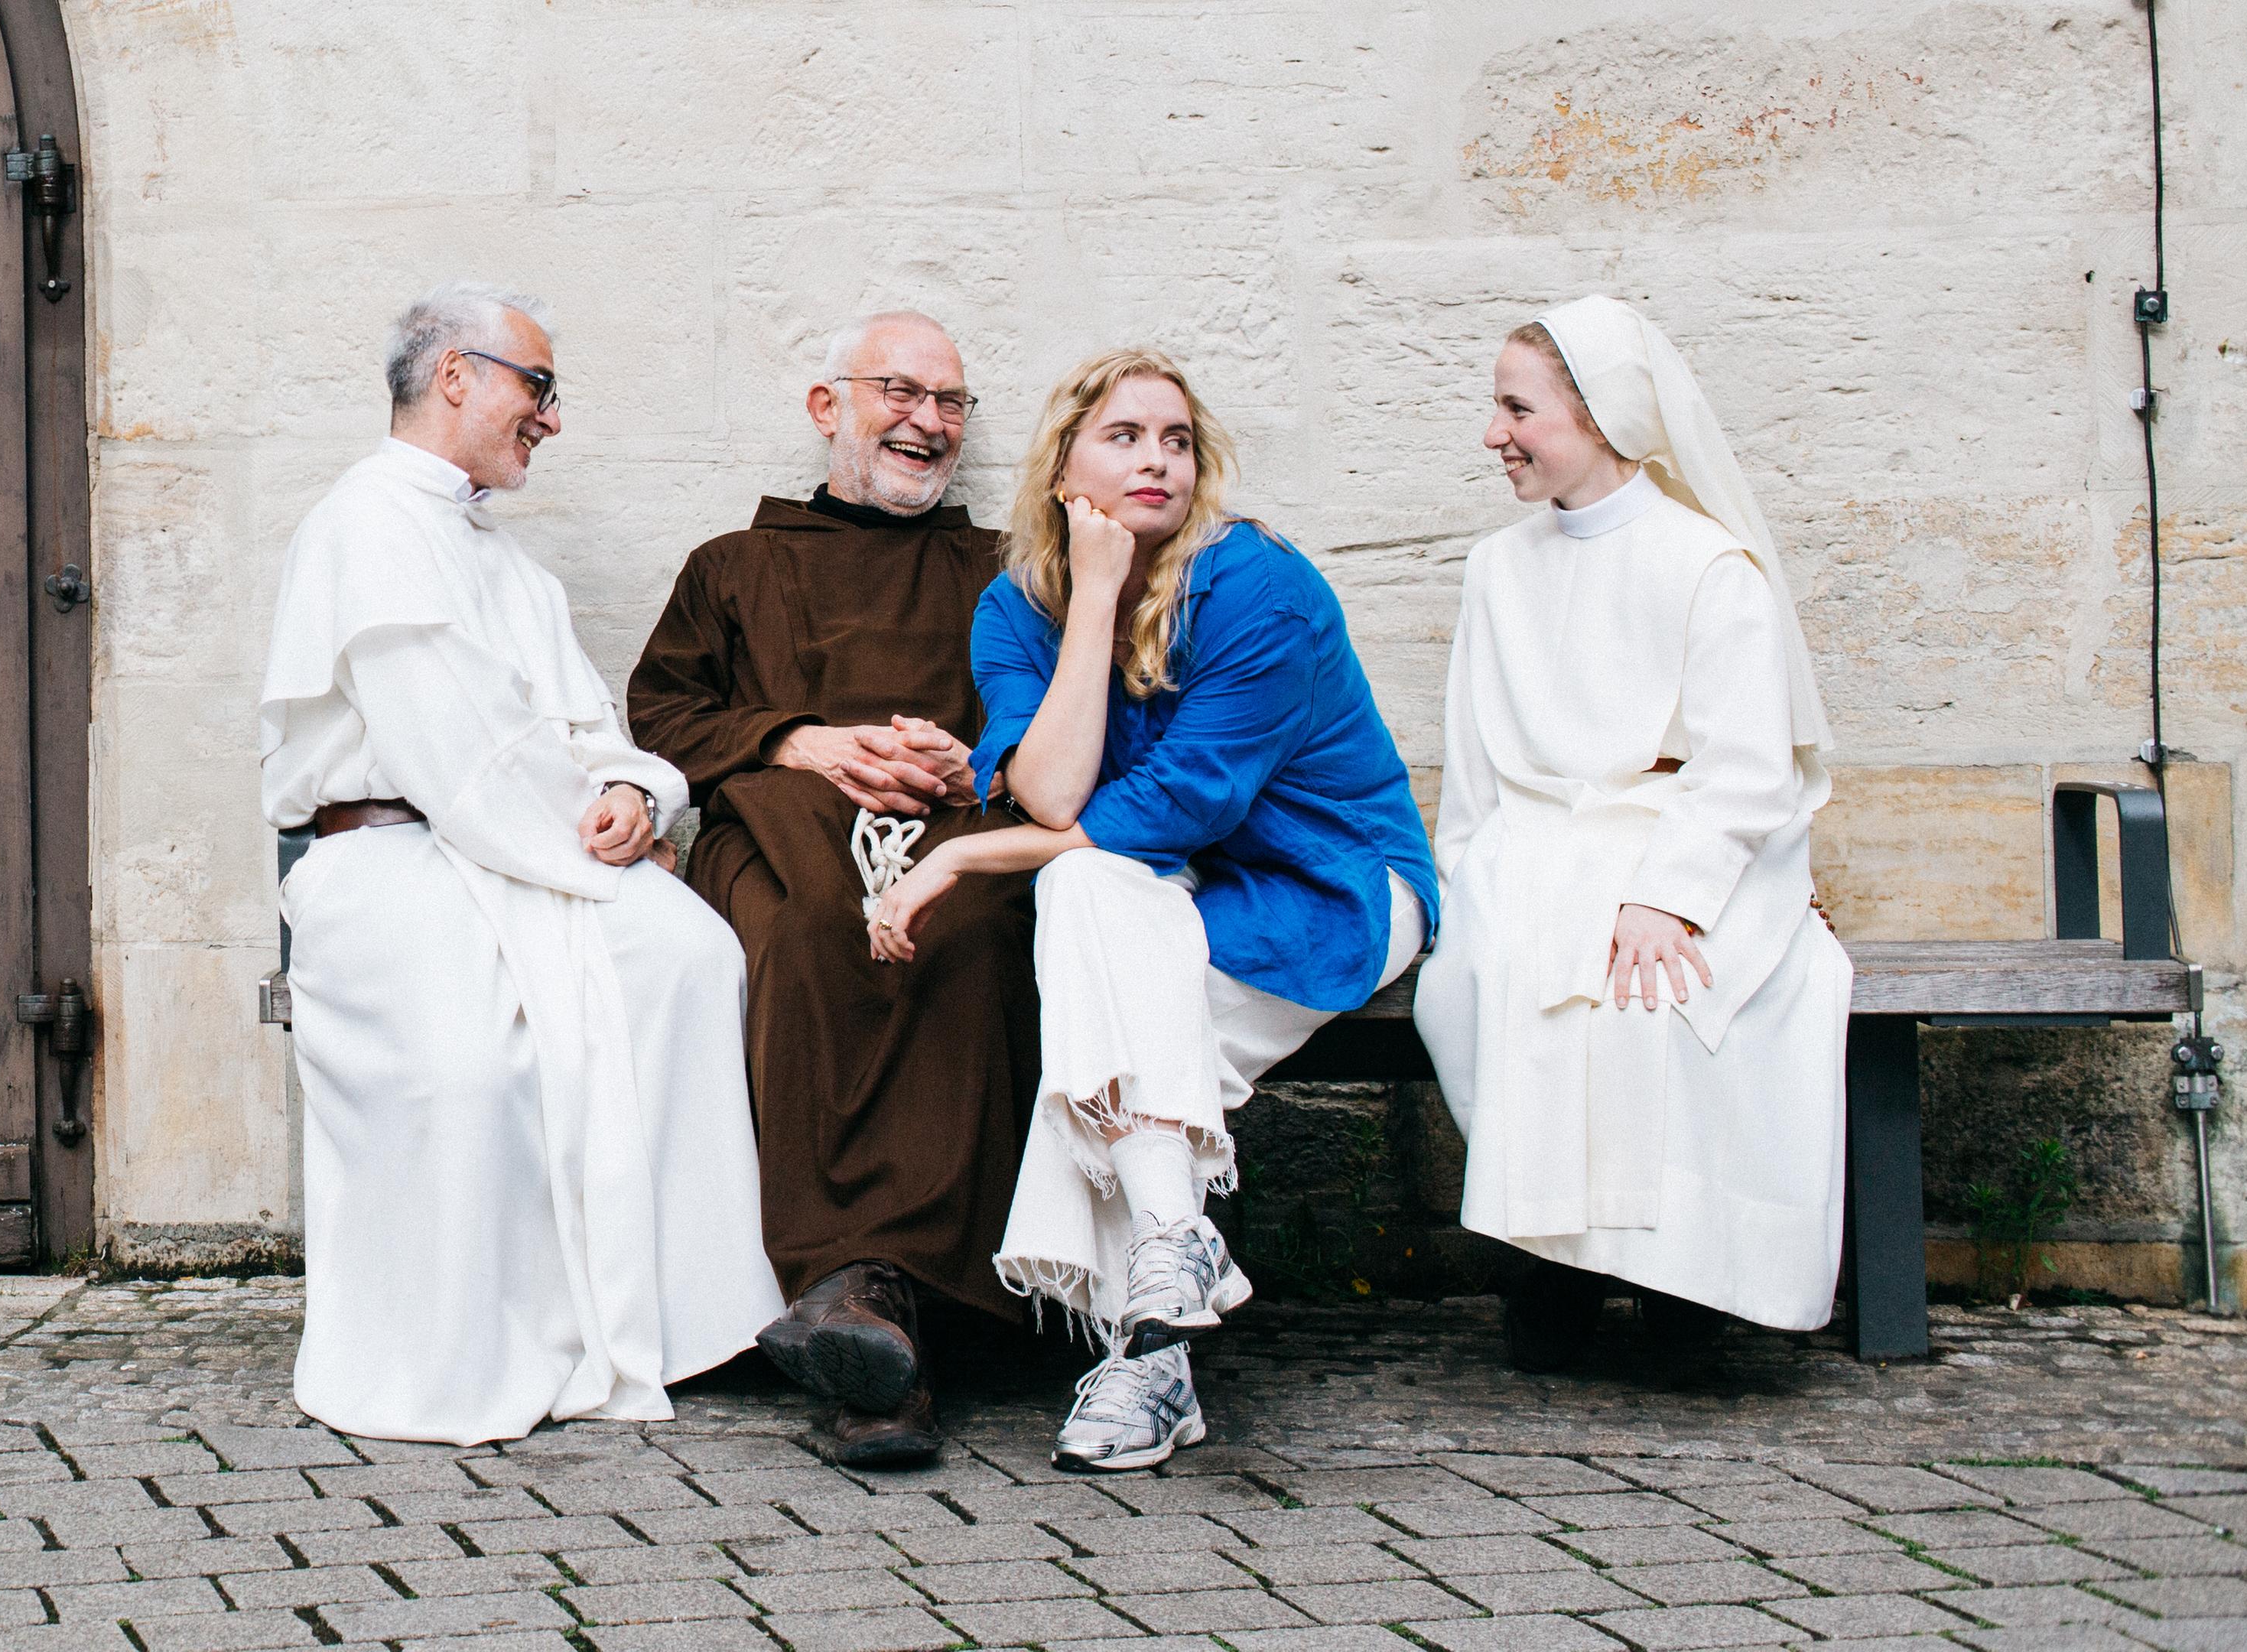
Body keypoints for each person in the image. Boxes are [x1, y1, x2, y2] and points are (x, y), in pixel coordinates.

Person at [867, 348, 1436, 1471]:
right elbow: (1054, 793)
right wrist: (1092, 599)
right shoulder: (1017, 607)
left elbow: (1177, 805)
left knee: (1113, 1041)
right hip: (1164, 890)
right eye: (1124, 437)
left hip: (1326, 886)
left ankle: (1147, 1356)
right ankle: (1174, 1262)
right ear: (1063, 469)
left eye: (1177, 440)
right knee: (1083, 891)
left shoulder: (1259, 585)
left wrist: (963, 858)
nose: (1158, 461)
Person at [258, 279, 783, 1446]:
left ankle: (688, 1325)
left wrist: (634, 799)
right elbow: (454, 752)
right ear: (456, 375)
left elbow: (593, 732)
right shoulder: (366, 526)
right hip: (387, 862)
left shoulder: (513, 570)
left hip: (522, 852)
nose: (551, 417)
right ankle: (466, 1355)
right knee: (472, 1069)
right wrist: (587, 838)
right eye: (537, 387)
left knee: (689, 954)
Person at [627, 312, 1038, 1468]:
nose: (929, 422)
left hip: (956, 833)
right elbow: (661, 717)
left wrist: (975, 762)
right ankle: (851, 1291)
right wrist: (798, 741)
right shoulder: (733, 566)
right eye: (900, 392)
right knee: (809, 935)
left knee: (967, 937)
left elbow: (1060, 719)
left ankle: (879, 1309)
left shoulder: (1004, 571)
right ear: (828, 407)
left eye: (950, 402)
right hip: (779, 831)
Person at [1412, 294, 1850, 1373]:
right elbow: (1475, 761)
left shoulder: (1707, 566)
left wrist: (1667, 896)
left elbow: (1746, 766)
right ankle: (1549, 1263)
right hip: (1535, 841)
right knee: (1494, 969)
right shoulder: (1497, 568)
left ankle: (1683, 1286)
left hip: (1687, 840)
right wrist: (1470, 882)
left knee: (1661, 989)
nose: (1494, 433)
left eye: (1518, 409)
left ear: (1600, 416)